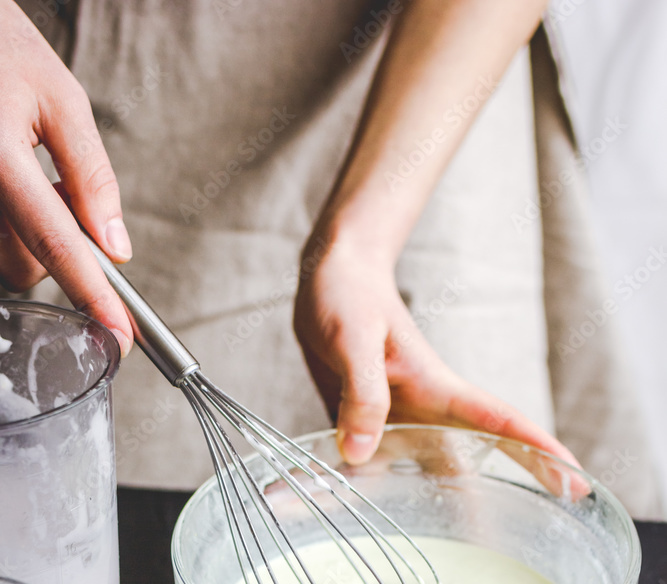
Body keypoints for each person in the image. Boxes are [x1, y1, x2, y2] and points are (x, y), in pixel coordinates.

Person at [0, 0, 660, 515]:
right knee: (102, 516)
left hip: (426, 86)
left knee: (478, 497)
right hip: (46, 76)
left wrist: (362, 247)